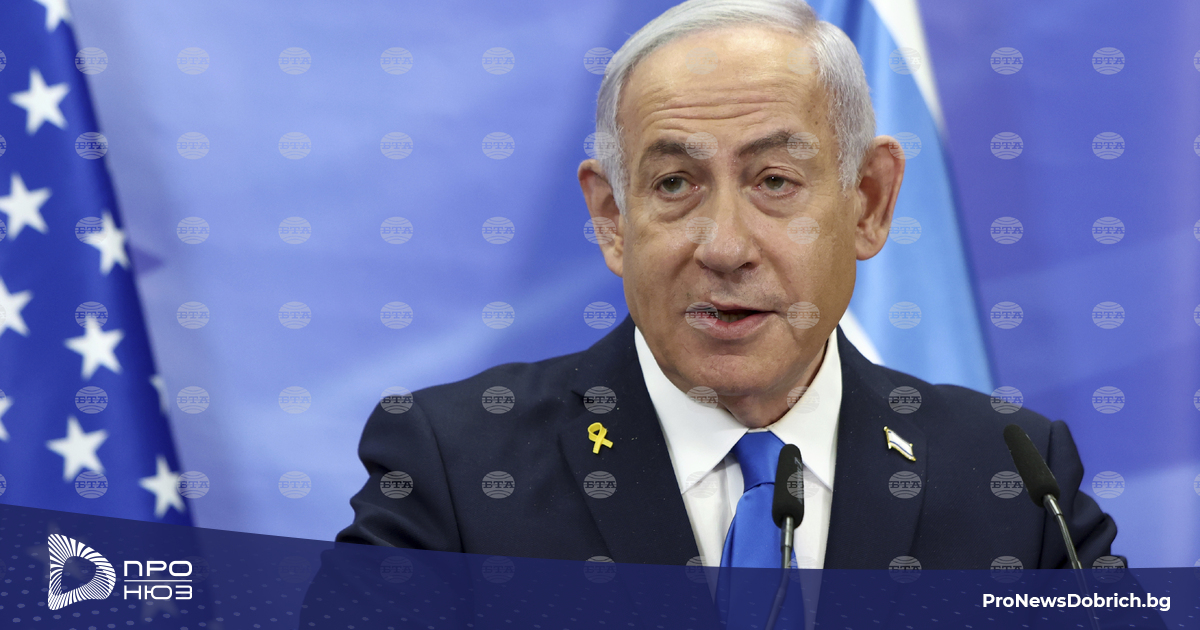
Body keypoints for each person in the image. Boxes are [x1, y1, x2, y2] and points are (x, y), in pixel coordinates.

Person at [336, 0, 1115, 571]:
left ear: (870, 203)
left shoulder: (1018, 480)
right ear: (612, 219)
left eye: (775, 181)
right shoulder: (456, 468)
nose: (726, 247)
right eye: (674, 184)